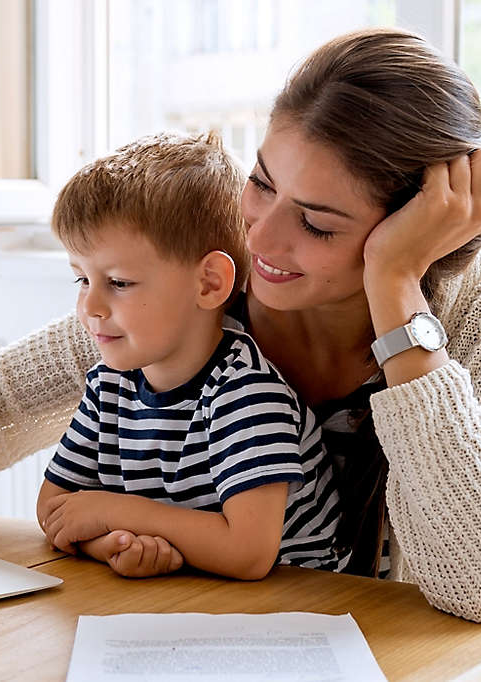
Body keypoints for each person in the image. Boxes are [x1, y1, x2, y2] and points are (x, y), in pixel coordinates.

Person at [0, 27, 481, 624]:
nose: (260, 239)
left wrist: (397, 291)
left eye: (319, 225)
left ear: (419, 226)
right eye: (261, 183)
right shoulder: (211, 278)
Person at [36, 132, 338, 580]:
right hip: (195, 602)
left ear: (209, 284)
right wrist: (111, 543)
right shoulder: (108, 386)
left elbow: (248, 553)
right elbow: (57, 509)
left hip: (298, 610)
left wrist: (114, 511)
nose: (90, 307)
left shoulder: (247, 394)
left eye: (118, 282)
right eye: (81, 279)